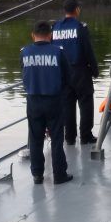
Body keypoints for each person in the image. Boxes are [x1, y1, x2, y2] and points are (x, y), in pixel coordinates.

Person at [21, 21, 73, 184]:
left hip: (33, 101)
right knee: (56, 138)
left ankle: (37, 175)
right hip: (53, 100)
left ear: (33, 35)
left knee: (35, 138)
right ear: (50, 35)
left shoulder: (24, 53)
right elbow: (68, 77)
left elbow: (23, 74)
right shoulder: (58, 52)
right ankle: (59, 174)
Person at [53, 0, 100, 145]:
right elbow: (88, 50)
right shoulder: (80, 27)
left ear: (64, 10)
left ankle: (69, 137)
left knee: (67, 104)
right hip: (80, 71)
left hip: (62, 72)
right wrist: (95, 70)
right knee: (86, 103)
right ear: (77, 10)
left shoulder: (55, 27)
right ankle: (85, 136)